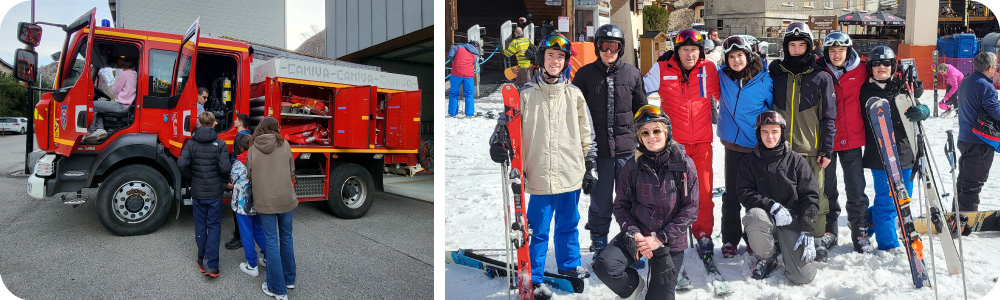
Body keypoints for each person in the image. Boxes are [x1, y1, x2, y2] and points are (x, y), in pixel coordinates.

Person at [489, 34, 595, 300]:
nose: (555, 61)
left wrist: (590, 163)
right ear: (541, 60)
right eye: (551, 56)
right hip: (539, 173)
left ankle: (569, 265)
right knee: (537, 227)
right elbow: (504, 126)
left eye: (560, 57)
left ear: (566, 61)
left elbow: (587, 133)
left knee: (569, 223)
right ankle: (532, 275)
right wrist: (498, 143)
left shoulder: (574, 94)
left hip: (570, 170)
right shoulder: (525, 95)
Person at [592, 105, 697, 300]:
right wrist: (636, 234)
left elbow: (690, 210)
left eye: (657, 131)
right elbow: (621, 206)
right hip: (638, 235)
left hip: (669, 242)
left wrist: (659, 239)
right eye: (645, 133)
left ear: (666, 132)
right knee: (606, 266)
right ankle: (634, 289)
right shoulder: (633, 166)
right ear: (639, 138)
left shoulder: (683, 165)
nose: (652, 137)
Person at [642, 28, 720, 257]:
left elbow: (726, 92)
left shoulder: (709, 69)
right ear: (676, 51)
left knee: (703, 192)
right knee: (670, 193)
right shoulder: (662, 68)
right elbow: (640, 91)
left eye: (694, 50)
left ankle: (703, 234)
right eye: (684, 50)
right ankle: (671, 236)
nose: (689, 55)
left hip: (702, 143)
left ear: (701, 52)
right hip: (674, 146)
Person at [572, 24, 648, 255]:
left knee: (631, 201)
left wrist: (646, 144)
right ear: (597, 47)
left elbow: (642, 111)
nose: (608, 51)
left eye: (613, 46)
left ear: (620, 48)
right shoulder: (584, 75)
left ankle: (633, 242)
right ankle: (598, 241)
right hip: (599, 153)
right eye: (604, 46)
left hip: (627, 151)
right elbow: (574, 112)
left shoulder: (632, 74)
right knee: (601, 201)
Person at [768, 22, 836, 261]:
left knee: (814, 194)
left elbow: (829, 116)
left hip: (811, 149)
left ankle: (816, 239)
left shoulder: (820, 77)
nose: (796, 50)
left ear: (809, 46)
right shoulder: (776, 75)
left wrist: (826, 148)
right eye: (792, 45)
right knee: (781, 195)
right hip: (781, 149)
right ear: (785, 47)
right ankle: (780, 238)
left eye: (801, 45)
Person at [736, 111, 819, 283]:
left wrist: (807, 228)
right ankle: (767, 258)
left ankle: (787, 249)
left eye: (774, 132)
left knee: (803, 277)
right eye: (765, 132)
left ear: (782, 133)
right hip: (765, 219)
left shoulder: (796, 161)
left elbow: (810, 195)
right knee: (754, 216)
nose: (770, 137)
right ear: (759, 134)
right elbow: (744, 192)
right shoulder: (749, 161)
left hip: (792, 222)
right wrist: (771, 206)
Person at [859, 46, 929, 251]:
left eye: (887, 63)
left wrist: (923, 110)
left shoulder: (901, 87)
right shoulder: (863, 90)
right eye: (877, 64)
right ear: (870, 67)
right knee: (888, 201)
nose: (882, 67)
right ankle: (888, 244)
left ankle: (868, 222)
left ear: (893, 66)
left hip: (905, 152)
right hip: (879, 154)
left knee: (903, 199)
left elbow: (917, 103)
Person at [716, 35, 773, 258]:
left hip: (756, 147)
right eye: (731, 56)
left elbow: (772, 109)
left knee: (755, 195)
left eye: (740, 55)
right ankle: (730, 239)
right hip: (733, 144)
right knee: (731, 195)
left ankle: (754, 238)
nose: (736, 60)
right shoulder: (721, 76)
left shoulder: (764, 80)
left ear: (748, 56)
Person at [819, 31, 871, 253]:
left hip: (851, 138)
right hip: (826, 140)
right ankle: (830, 230)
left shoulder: (861, 70)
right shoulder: (819, 70)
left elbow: (885, 76)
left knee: (856, 187)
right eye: (832, 51)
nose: (837, 55)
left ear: (848, 51)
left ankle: (859, 230)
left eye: (841, 51)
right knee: (827, 187)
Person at [177, 111, 232, 278]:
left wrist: (191, 177)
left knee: (200, 225)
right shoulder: (220, 144)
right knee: (214, 226)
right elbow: (224, 168)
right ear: (214, 123)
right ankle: (212, 266)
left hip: (198, 192)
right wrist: (224, 179)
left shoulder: (191, 144)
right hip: (215, 192)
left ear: (199, 123)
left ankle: (201, 260)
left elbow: (181, 164)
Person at [248, 116, 297, 300]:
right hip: (286, 198)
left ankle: (277, 289)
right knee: (286, 237)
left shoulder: (253, 147)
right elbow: (291, 168)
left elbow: (249, 172)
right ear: (276, 128)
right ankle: (289, 279)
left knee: (271, 241)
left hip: (265, 200)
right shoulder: (284, 144)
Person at [956, 52, 1000, 217]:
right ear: (989, 68)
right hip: (979, 141)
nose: (995, 69)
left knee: (963, 181)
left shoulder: (967, 80)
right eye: (995, 66)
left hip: (965, 138)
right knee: (972, 184)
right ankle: (966, 219)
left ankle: (957, 214)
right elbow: (995, 112)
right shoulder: (985, 85)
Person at [229, 136, 267, 277]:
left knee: (246, 233)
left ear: (240, 147)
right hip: (258, 202)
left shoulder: (239, 164)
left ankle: (252, 265)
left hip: (243, 204)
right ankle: (268, 258)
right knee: (259, 230)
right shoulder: (261, 160)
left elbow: (232, 179)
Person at [83, 59, 137, 142]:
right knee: (99, 108)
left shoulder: (125, 74)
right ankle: (99, 130)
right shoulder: (135, 74)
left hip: (121, 106)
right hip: (128, 106)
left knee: (93, 105)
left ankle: (89, 134)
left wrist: (114, 83)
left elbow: (115, 91)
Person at [226, 114, 254, 250]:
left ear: (241, 123)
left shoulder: (240, 138)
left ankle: (239, 238)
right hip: (247, 179)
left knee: (238, 209)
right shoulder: (248, 136)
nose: (234, 121)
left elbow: (237, 160)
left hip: (239, 181)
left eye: (236, 120)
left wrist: (233, 178)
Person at [447, 40, 481, 117]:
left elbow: (450, 56)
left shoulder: (458, 47)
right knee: (469, 94)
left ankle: (452, 113)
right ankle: (469, 114)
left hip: (456, 72)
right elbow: (474, 62)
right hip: (468, 74)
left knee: (453, 93)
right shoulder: (475, 52)